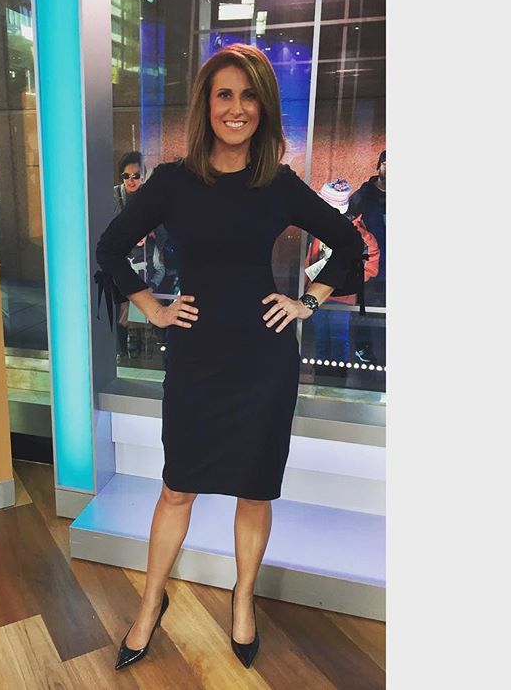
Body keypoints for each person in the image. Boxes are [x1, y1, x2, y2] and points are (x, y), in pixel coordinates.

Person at [94, 43, 363, 671]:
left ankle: (243, 600)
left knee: (254, 490)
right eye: (224, 94)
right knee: (177, 488)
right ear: (206, 105)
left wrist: (308, 301)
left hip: (263, 359)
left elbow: (349, 247)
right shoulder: (173, 182)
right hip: (196, 356)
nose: (236, 108)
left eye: (248, 96)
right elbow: (110, 248)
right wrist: (152, 307)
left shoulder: (279, 184)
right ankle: (150, 603)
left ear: (262, 108)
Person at [304, 178, 380, 370]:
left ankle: (336, 372)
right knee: (323, 337)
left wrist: (352, 278)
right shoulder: (323, 228)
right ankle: (324, 370)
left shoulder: (357, 233)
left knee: (337, 338)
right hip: (320, 292)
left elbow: (372, 261)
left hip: (338, 295)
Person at [112, 152, 166, 357]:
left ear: (143, 176)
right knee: (124, 314)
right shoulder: (114, 198)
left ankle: (144, 349)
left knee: (144, 312)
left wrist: (152, 232)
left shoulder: (151, 197)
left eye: (136, 176)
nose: (131, 180)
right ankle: (124, 352)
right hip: (123, 262)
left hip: (147, 262)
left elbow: (164, 230)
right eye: (126, 176)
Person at [349, 149, 386, 363]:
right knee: (365, 306)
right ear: (378, 166)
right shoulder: (363, 195)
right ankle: (363, 348)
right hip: (369, 262)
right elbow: (348, 223)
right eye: (386, 163)